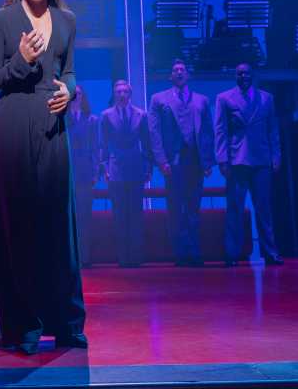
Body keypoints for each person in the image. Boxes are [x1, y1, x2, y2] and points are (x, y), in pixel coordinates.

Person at [0, 0, 85, 353]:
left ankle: (66, 323)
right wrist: (20, 60)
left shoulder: (67, 20)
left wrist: (69, 91)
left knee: (59, 224)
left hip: (52, 123)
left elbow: (70, 71)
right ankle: (21, 326)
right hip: (12, 124)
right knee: (18, 224)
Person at [214, 63, 283, 266]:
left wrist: (276, 155)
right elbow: (220, 131)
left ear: (253, 75)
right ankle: (232, 254)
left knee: (264, 209)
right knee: (234, 209)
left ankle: (270, 252)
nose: (243, 76)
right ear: (235, 76)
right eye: (240, 73)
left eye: (246, 73)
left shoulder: (267, 98)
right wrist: (222, 159)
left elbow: (273, 129)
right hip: (237, 160)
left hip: (262, 159)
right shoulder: (224, 98)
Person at [149, 59, 215, 267]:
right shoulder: (158, 99)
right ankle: (179, 254)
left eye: (182, 69)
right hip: (173, 162)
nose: (179, 72)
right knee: (176, 209)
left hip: (195, 160)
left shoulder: (202, 100)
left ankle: (194, 252)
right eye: (175, 70)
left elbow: (208, 132)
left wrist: (208, 161)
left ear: (187, 75)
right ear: (170, 76)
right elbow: (154, 133)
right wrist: (161, 160)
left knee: (193, 209)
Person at [99, 79, 152, 268]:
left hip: (136, 168)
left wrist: (148, 168)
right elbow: (103, 145)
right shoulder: (106, 115)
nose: (122, 94)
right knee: (120, 216)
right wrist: (105, 168)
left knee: (136, 215)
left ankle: (136, 258)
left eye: (125, 91)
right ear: (114, 94)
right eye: (119, 91)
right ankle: (123, 258)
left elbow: (147, 144)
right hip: (116, 170)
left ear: (130, 94)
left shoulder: (141, 114)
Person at [66, 86, 102, 267]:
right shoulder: (61, 119)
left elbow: (96, 148)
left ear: (82, 97)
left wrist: (96, 171)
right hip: (66, 175)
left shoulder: (92, 120)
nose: (75, 96)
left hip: (85, 174)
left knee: (84, 217)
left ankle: (84, 257)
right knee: (67, 218)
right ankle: (68, 259)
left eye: (78, 93)